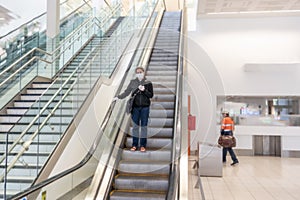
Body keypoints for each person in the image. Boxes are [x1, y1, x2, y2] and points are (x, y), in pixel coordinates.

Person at [113, 67, 153, 152]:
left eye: (140, 72)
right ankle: (134, 145)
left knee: (143, 127)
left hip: (145, 108)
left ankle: (142, 145)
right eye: (137, 72)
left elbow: (151, 95)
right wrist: (118, 97)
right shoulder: (133, 82)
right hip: (135, 107)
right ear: (136, 74)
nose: (139, 73)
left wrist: (144, 90)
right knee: (135, 127)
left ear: (143, 72)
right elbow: (127, 92)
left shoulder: (148, 83)